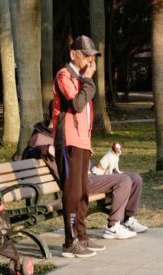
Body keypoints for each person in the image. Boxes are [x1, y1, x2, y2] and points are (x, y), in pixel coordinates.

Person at [23, 103, 148, 242]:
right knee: (123, 180)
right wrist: (45, 149)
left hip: (88, 173)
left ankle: (128, 219)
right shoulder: (41, 136)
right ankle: (113, 226)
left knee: (135, 178)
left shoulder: (64, 131)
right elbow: (28, 153)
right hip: (76, 182)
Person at [52, 35, 104, 258]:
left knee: (82, 192)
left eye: (93, 56)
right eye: (86, 55)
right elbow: (77, 104)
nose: (90, 60)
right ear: (73, 54)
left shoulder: (81, 79)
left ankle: (81, 236)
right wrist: (89, 80)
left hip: (82, 142)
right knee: (72, 192)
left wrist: (86, 79)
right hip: (68, 141)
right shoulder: (65, 75)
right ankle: (69, 241)